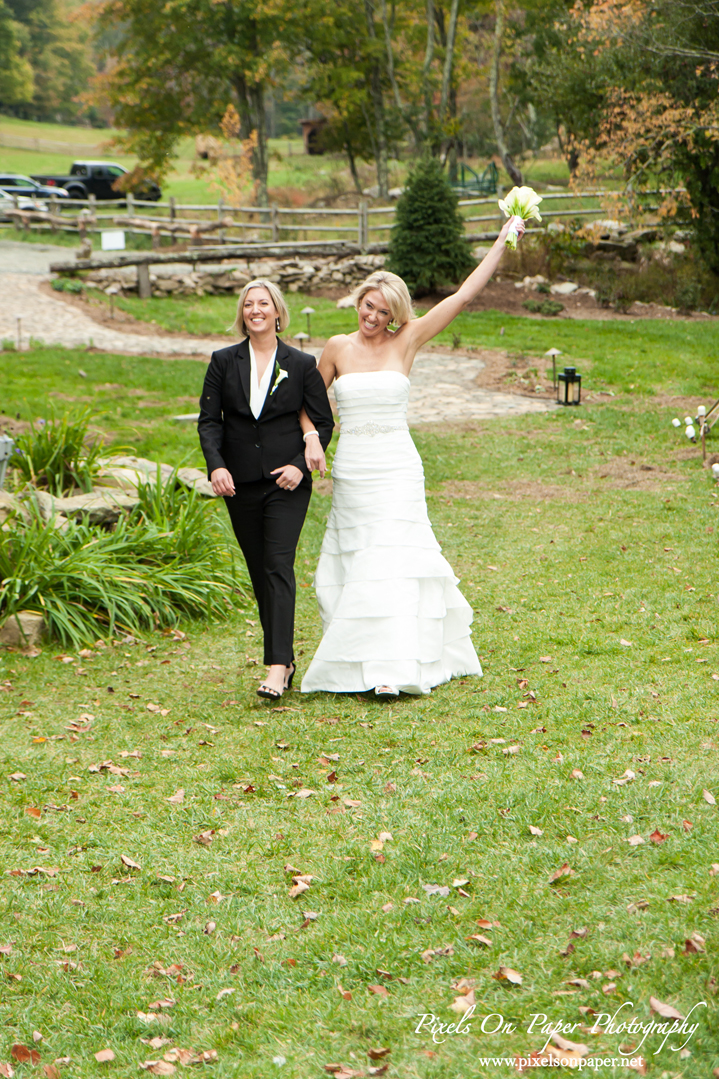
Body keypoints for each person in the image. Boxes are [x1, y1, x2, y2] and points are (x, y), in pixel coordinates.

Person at [299, 217, 525, 697]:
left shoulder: (408, 340)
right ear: (357, 302)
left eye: (382, 310)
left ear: (395, 314)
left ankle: (393, 669)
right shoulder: (337, 347)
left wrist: (502, 242)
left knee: (396, 563)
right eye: (367, 305)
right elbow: (309, 404)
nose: (372, 316)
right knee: (363, 561)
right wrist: (311, 437)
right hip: (355, 470)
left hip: (398, 467)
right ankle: (361, 659)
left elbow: (463, 296)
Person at [198, 279, 334, 700]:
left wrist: (299, 465)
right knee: (260, 571)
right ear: (242, 314)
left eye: (264, 303)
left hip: (286, 483)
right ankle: (287, 658)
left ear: (278, 312)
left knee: (277, 564)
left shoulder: (301, 363)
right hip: (238, 483)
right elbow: (209, 422)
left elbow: (322, 422)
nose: (255, 310)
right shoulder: (223, 361)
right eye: (248, 304)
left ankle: (277, 666)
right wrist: (216, 467)